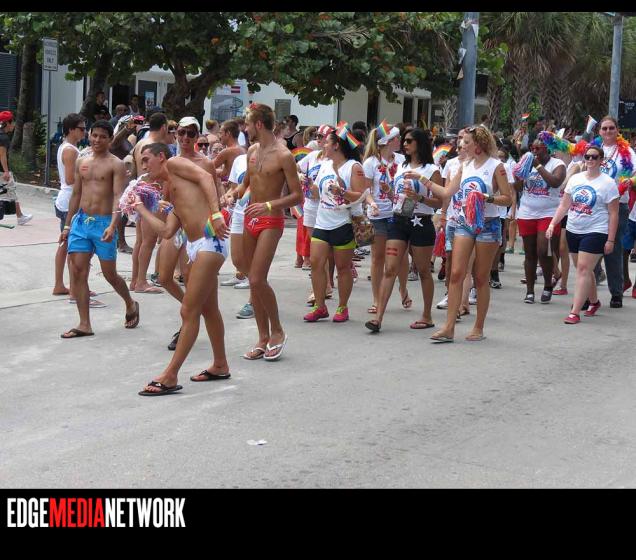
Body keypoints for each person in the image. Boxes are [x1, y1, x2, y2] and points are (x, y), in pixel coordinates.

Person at [135, 142, 230, 395]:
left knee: (189, 310)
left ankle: (170, 375)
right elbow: (167, 232)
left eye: (146, 159)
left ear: (161, 157)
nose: (143, 166)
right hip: (197, 246)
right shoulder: (174, 194)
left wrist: (216, 214)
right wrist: (141, 209)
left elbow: (206, 177)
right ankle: (220, 364)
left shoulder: (176, 163)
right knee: (209, 309)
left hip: (211, 240)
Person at [424, 125, 513, 343]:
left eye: (466, 142)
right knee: (456, 273)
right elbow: (447, 191)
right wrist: (423, 181)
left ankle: (478, 327)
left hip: (488, 225)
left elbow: (508, 198)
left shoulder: (496, 166)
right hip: (465, 223)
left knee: (481, 277)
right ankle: (449, 327)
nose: (462, 145)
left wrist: (487, 198)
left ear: (478, 144)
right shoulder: (464, 166)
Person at [59, 120, 139, 338]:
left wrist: (113, 225)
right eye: (94, 135)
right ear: (89, 136)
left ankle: (130, 303)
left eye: (103, 137)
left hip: (104, 224)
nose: (97, 140)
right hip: (82, 223)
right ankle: (84, 324)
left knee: (109, 274)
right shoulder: (81, 161)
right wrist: (67, 225)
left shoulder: (116, 164)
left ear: (110, 139)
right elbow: (76, 194)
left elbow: (118, 196)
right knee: (78, 271)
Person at [240, 103, 303, 360]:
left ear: (258, 124)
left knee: (257, 279)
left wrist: (268, 205)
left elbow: (297, 196)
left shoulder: (284, 155)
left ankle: (277, 331)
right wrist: (233, 193)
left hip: (270, 220)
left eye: (247, 124)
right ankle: (262, 337)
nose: (245, 128)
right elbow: (246, 183)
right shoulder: (252, 151)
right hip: (250, 218)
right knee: (252, 281)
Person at [365, 128, 442, 333]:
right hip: (398, 220)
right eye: (404, 140)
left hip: (421, 221)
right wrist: (390, 192)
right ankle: (378, 318)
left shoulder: (431, 170)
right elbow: (399, 197)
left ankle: (427, 315)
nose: (404, 144)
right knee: (390, 268)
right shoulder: (401, 166)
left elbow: (440, 201)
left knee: (423, 270)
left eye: (409, 141)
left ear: (420, 143)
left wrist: (420, 198)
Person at [159, 116, 224, 350]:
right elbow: (170, 194)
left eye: (191, 133)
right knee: (164, 277)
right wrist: (163, 206)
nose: (185, 137)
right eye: (181, 132)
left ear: (197, 136)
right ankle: (190, 312)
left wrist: (216, 215)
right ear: (175, 134)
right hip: (177, 222)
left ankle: (188, 320)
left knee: (191, 281)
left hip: (199, 231)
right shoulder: (171, 162)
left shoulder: (205, 163)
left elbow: (213, 191)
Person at [546, 144, 619, 324]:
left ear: (601, 161)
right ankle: (594, 302)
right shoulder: (575, 179)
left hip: (596, 231)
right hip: (574, 229)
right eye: (587, 157)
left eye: (594, 157)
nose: (590, 160)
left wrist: (610, 239)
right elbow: (564, 205)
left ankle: (575, 311)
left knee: (583, 269)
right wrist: (553, 223)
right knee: (584, 269)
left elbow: (614, 213)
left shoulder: (608, 183)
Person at [304, 122, 367, 324]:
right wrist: (308, 184)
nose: (323, 145)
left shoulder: (353, 167)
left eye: (327, 142)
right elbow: (317, 193)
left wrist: (342, 192)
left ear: (337, 145)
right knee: (316, 263)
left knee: (343, 268)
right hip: (322, 222)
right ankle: (320, 306)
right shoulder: (324, 165)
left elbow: (360, 196)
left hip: (343, 223)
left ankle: (342, 307)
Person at [53, 113, 105, 307]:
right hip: (70, 202)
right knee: (75, 249)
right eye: (82, 129)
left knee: (66, 245)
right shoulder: (70, 151)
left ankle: (64, 285)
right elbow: (70, 179)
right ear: (71, 130)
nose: (85, 132)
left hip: (66, 201)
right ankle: (76, 289)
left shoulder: (68, 147)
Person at [361, 121, 410, 316]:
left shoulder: (402, 160)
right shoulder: (371, 163)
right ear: (388, 141)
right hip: (378, 215)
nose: (401, 141)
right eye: (397, 138)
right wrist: (372, 203)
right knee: (378, 258)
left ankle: (403, 289)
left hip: (399, 214)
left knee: (402, 257)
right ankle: (377, 298)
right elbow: (366, 190)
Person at [514, 138, 566, 304]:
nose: (535, 151)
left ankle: (548, 285)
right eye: (533, 148)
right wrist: (519, 175)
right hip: (527, 212)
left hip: (549, 213)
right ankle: (530, 291)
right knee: (530, 253)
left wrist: (537, 166)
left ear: (547, 149)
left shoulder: (557, 164)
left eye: (539, 148)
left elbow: (555, 182)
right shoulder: (526, 163)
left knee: (544, 251)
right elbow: (518, 188)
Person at [595, 116, 636, 308]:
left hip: (619, 205)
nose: (608, 131)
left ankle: (616, 293)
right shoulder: (593, 149)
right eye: (604, 128)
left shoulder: (626, 151)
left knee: (614, 249)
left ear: (617, 130)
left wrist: (630, 182)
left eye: (611, 128)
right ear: (599, 131)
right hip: (595, 206)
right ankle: (589, 292)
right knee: (591, 248)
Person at [129, 112, 171, 294]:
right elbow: (150, 175)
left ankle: (135, 280)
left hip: (142, 192)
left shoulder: (140, 143)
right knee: (148, 241)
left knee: (141, 241)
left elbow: (135, 171)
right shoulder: (153, 147)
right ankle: (140, 281)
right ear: (164, 127)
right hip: (151, 194)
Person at [297, 124, 335, 303]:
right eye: (317, 136)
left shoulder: (334, 160)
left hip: (327, 207)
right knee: (316, 251)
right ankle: (324, 286)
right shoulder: (313, 156)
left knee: (323, 251)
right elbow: (295, 167)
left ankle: (323, 286)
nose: (318, 139)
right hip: (311, 207)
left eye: (322, 136)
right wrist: (299, 176)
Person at [222, 153, 254, 316]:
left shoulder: (272, 157)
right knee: (237, 259)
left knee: (254, 261)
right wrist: (230, 195)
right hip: (239, 213)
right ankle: (259, 285)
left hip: (259, 215)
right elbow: (236, 187)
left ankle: (254, 300)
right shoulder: (240, 160)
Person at [0, 110, 33, 225]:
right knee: (11, 191)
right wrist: (6, 171)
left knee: (10, 193)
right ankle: (20, 217)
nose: (14, 124)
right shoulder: (3, 137)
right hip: (2, 172)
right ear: (7, 123)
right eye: (12, 122)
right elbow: (2, 155)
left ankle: (20, 216)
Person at [212, 119, 247, 191]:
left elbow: (207, 166)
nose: (219, 136)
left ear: (227, 133)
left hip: (234, 191)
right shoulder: (243, 150)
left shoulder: (227, 151)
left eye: (220, 133)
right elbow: (224, 173)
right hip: (240, 190)